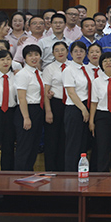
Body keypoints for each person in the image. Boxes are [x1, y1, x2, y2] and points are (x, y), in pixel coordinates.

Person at [14, 43, 48, 171]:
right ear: (24, 58)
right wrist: (26, 117)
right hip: (27, 110)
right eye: (30, 55)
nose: (34, 58)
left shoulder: (38, 73)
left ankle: (28, 171)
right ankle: (19, 174)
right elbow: (22, 97)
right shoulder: (23, 74)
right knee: (25, 146)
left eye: (36, 54)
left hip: (38, 110)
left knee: (34, 145)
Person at [62, 41, 93, 171]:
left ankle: (82, 172)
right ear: (70, 53)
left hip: (87, 107)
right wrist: (83, 109)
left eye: (81, 51)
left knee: (83, 144)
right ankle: (70, 174)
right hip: (75, 109)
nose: (79, 54)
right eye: (75, 51)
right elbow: (71, 92)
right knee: (73, 144)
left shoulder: (87, 68)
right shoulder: (68, 70)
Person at [41, 41, 69, 171]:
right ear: (53, 53)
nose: (60, 52)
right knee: (52, 139)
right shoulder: (49, 68)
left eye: (62, 50)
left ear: (67, 52)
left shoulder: (73, 66)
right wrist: (48, 111)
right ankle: (51, 170)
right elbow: (46, 92)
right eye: (56, 50)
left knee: (65, 138)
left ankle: (63, 169)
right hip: (55, 104)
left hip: (69, 105)